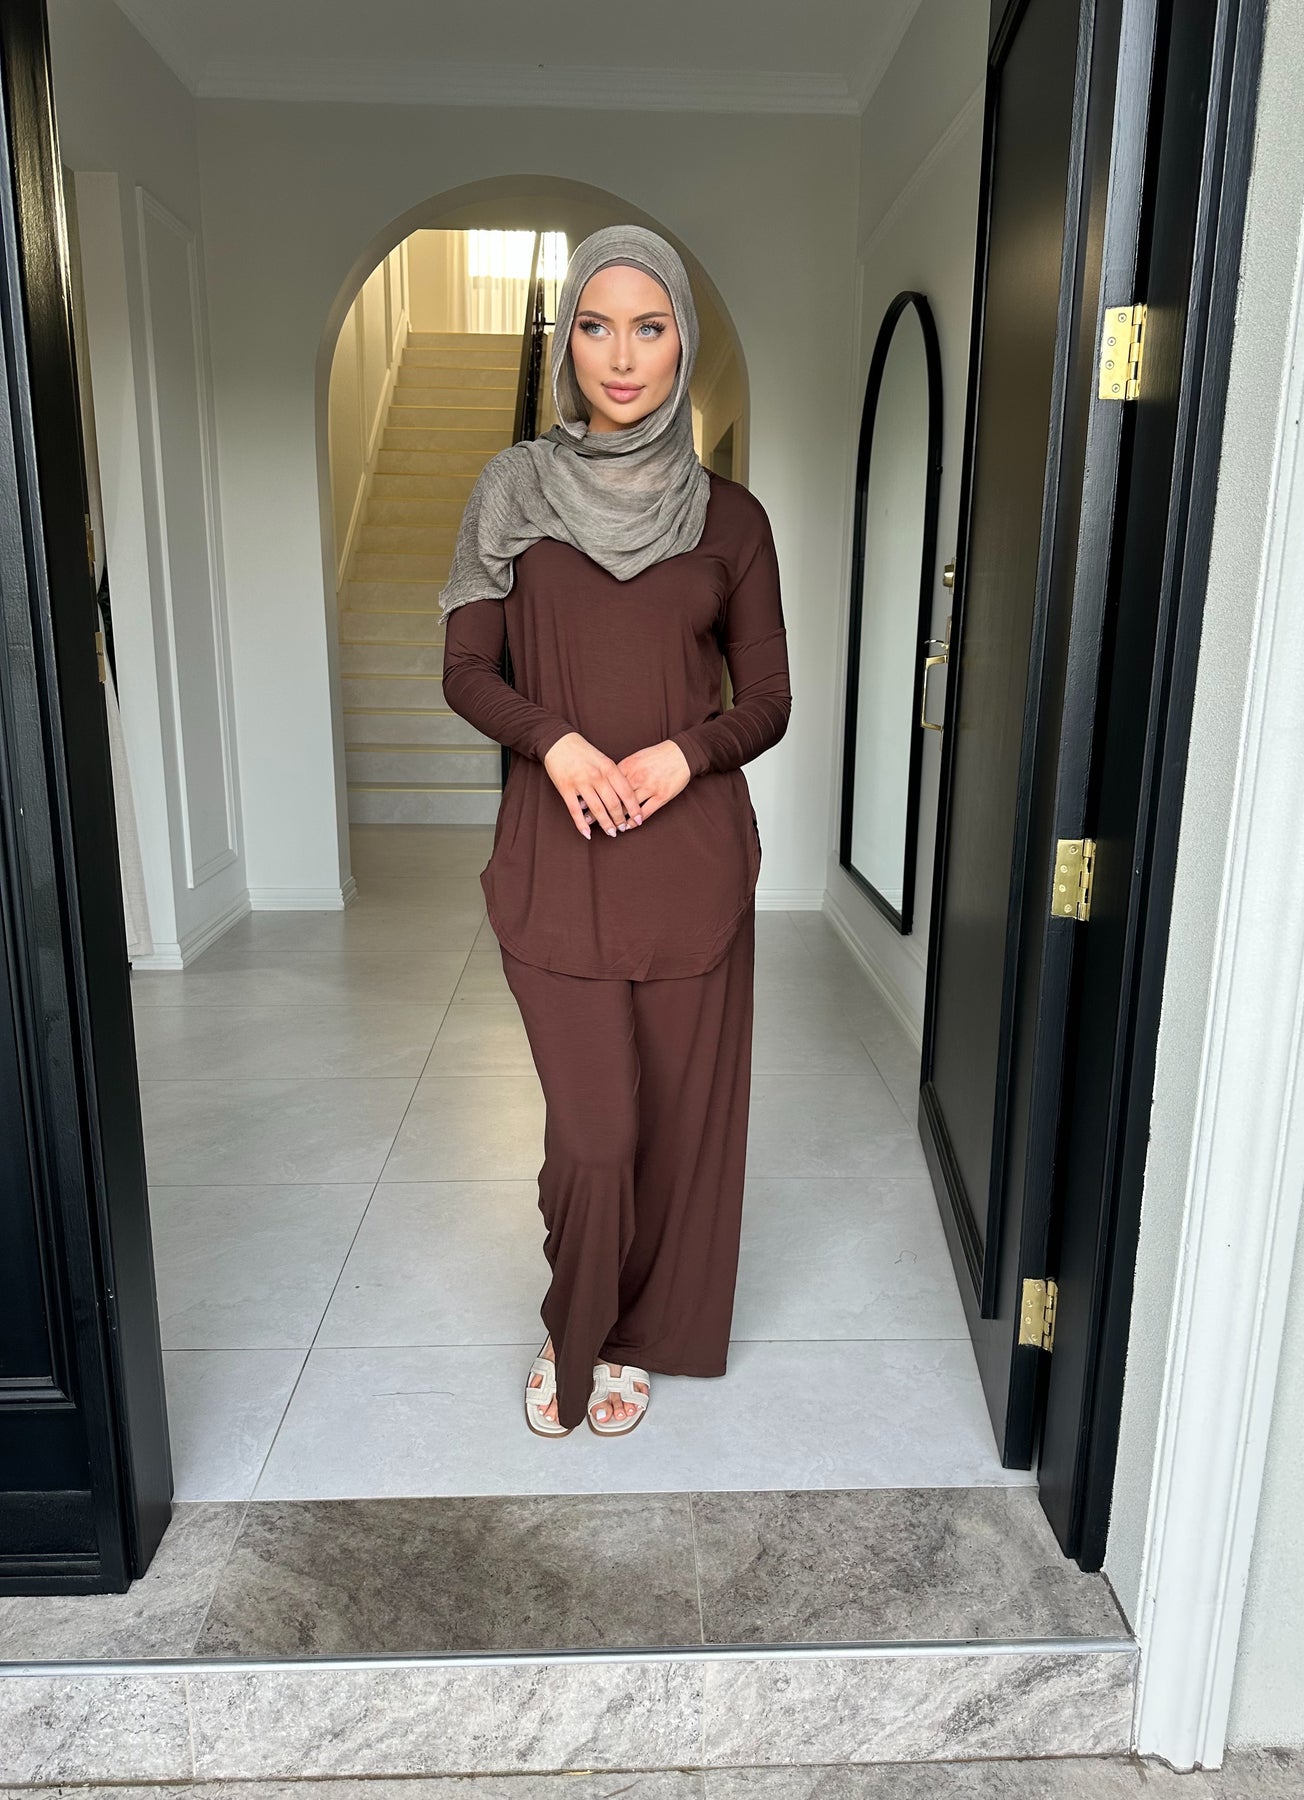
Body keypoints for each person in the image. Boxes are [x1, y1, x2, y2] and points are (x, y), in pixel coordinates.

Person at [439, 223, 792, 1438]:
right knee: (596, 1135)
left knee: (677, 1126)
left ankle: (636, 1336)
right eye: (597, 325)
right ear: (568, 342)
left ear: (683, 341)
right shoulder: (512, 490)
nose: (622, 356)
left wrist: (685, 753)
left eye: (651, 327)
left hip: (690, 864)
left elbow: (769, 699)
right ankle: (574, 1322)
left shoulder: (731, 519)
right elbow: (464, 669)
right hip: (557, 862)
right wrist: (555, 741)